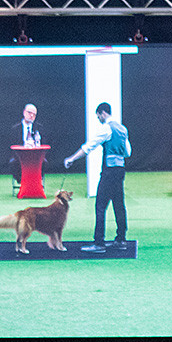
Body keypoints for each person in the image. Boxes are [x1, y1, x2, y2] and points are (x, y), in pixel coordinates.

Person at [64, 102, 131, 254]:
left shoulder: (106, 128)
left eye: (98, 116)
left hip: (108, 172)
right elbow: (128, 152)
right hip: (120, 170)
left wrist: (72, 158)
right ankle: (121, 239)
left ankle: (99, 242)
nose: (99, 119)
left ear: (102, 113)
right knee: (119, 205)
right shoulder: (122, 129)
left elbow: (89, 147)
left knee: (100, 206)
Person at [9, 103, 44, 183]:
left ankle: (37, 181)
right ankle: (22, 182)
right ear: (24, 112)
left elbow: (42, 143)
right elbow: (12, 146)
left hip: (36, 156)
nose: (31, 115)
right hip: (20, 156)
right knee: (12, 162)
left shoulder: (39, 128)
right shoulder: (15, 128)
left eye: (34, 114)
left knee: (44, 162)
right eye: (29, 113)